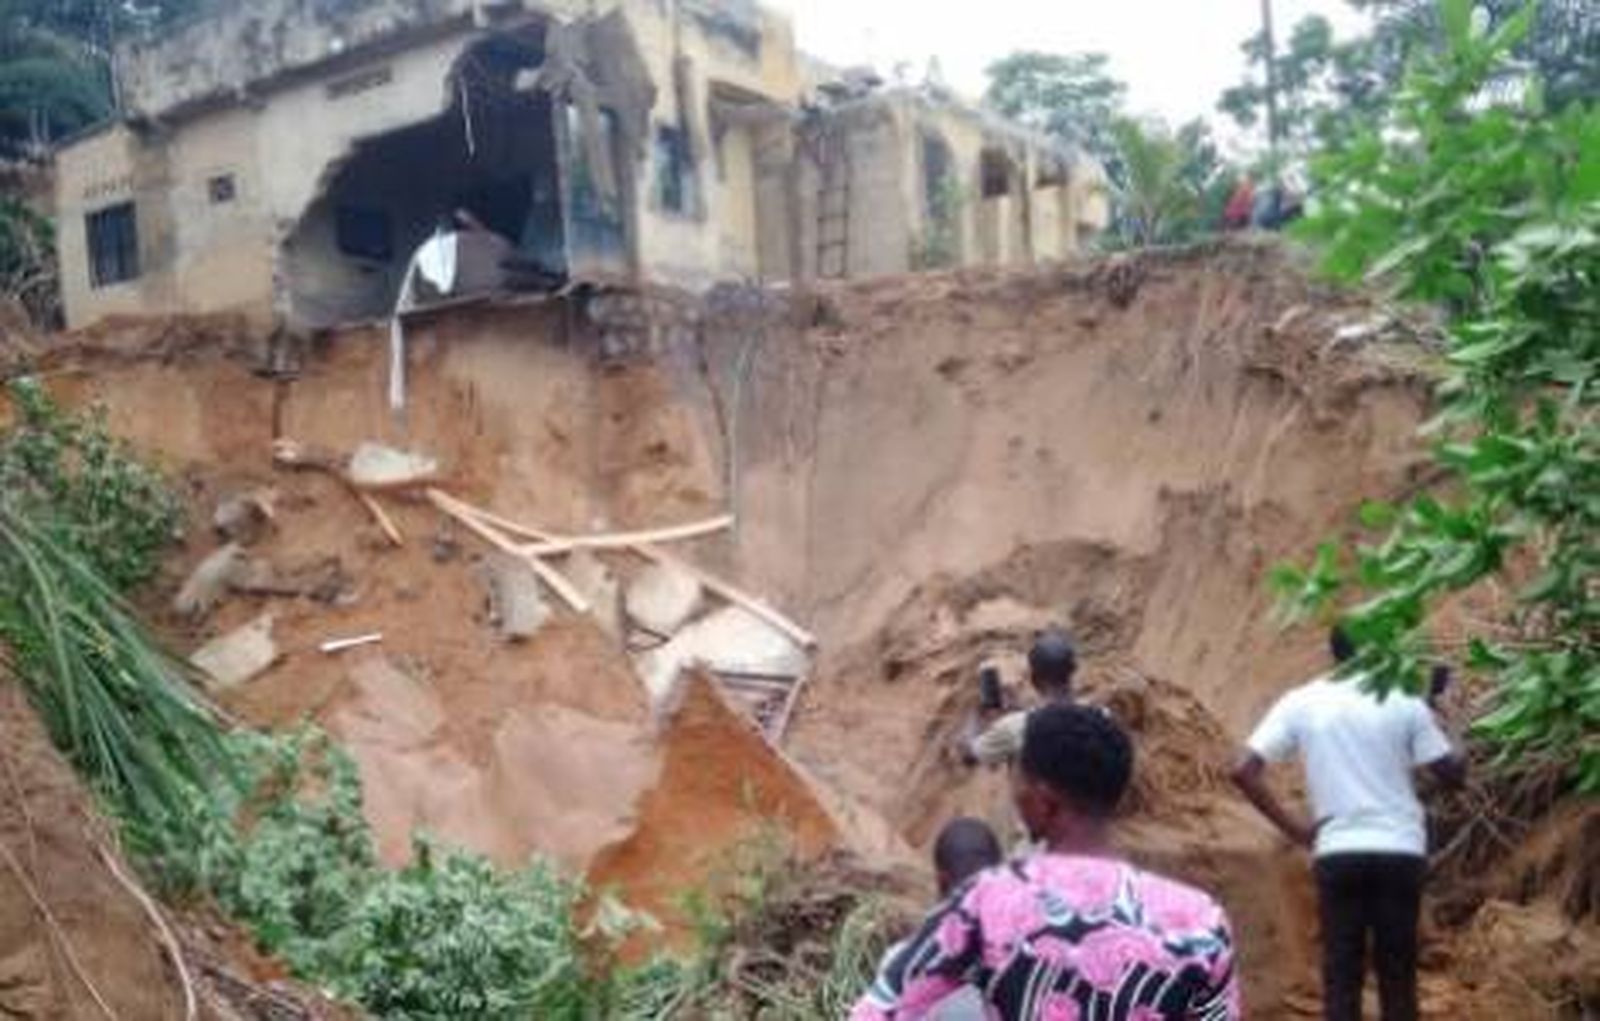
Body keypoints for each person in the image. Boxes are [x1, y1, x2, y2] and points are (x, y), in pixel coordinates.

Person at [855, 705, 1240, 1020]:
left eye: (1017, 779)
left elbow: (881, 1009)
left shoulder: (987, 903)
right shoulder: (1200, 921)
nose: (1013, 791)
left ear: (1044, 802)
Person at [1230, 628, 1466, 1021]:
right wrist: (1448, 719)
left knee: (1341, 974)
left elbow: (1242, 770)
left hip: (1337, 851)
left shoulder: (1301, 701)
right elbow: (1453, 775)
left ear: (1335, 652)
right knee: (1397, 974)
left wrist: (1298, 830)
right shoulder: (1405, 700)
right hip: (1399, 851)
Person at [961, 628, 1078, 767]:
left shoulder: (1016, 727)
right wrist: (1019, 709)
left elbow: (969, 755)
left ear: (1034, 679)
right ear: (1071, 673)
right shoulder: (1101, 715)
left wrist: (977, 713)